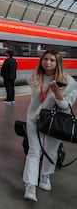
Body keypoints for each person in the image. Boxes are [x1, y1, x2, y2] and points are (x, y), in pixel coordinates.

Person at [22, 50, 77, 202]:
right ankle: (30, 186)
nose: (48, 63)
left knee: (51, 151)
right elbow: (36, 98)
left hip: (55, 121)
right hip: (34, 118)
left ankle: (45, 177)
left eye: (52, 60)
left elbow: (65, 107)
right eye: (45, 59)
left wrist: (57, 92)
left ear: (58, 63)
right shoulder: (34, 78)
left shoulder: (69, 83)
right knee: (34, 151)